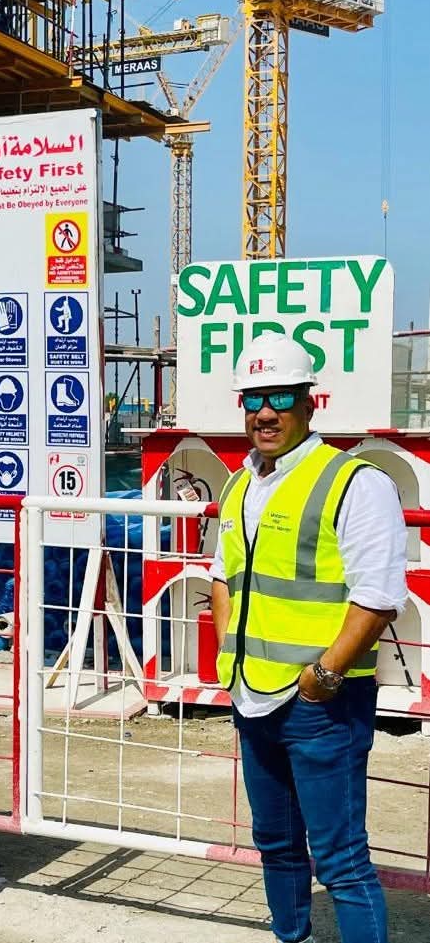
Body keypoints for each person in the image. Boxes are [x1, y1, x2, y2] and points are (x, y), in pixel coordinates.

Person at [210, 331, 407, 943]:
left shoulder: (354, 482)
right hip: (252, 695)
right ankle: (291, 936)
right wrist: (228, 659)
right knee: (275, 843)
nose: (265, 412)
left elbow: (378, 598)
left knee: (341, 859)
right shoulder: (241, 483)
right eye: (254, 399)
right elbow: (222, 576)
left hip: (321, 704)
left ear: (308, 402)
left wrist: (323, 676)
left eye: (280, 397)